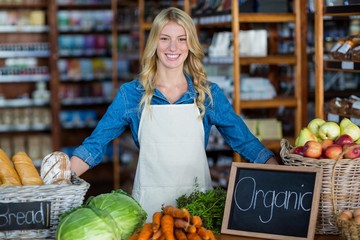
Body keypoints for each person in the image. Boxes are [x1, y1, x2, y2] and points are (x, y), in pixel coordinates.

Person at [70, 7, 278, 221]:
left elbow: (244, 142)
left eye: (181, 39)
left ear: (190, 44)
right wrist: (58, 181)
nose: (173, 47)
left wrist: (280, 174)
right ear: (154, 43)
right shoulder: (132, 94)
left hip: (197, 211)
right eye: (165, 38)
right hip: (148, 212)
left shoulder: (207, 94)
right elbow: (95, 145)